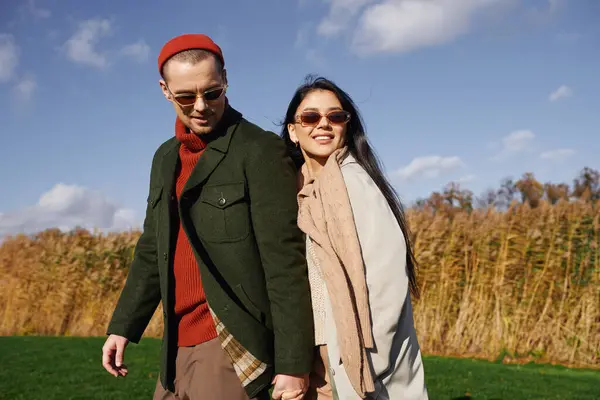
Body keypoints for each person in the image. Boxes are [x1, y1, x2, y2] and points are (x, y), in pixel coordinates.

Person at [101, 33, 314, 400]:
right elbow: (153, 248)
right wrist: (122, 326)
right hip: (173, 349)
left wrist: (293, 364)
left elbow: (286, 263)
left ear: (226, 80)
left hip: (231, 344)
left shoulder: (260, 150)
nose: (200, 106)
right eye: (185, 96)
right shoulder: (165, 158)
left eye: (211, 92)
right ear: (165, 91)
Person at [280, 75, 429, 400]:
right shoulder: (300, 191)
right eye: (310, 117)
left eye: (335, 116)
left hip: (353, 363)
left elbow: (385, 282)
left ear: (347, 125)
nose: (324, 124)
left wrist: (360, 369)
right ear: (293, 130)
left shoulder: (352, 183)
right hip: (317, 359)